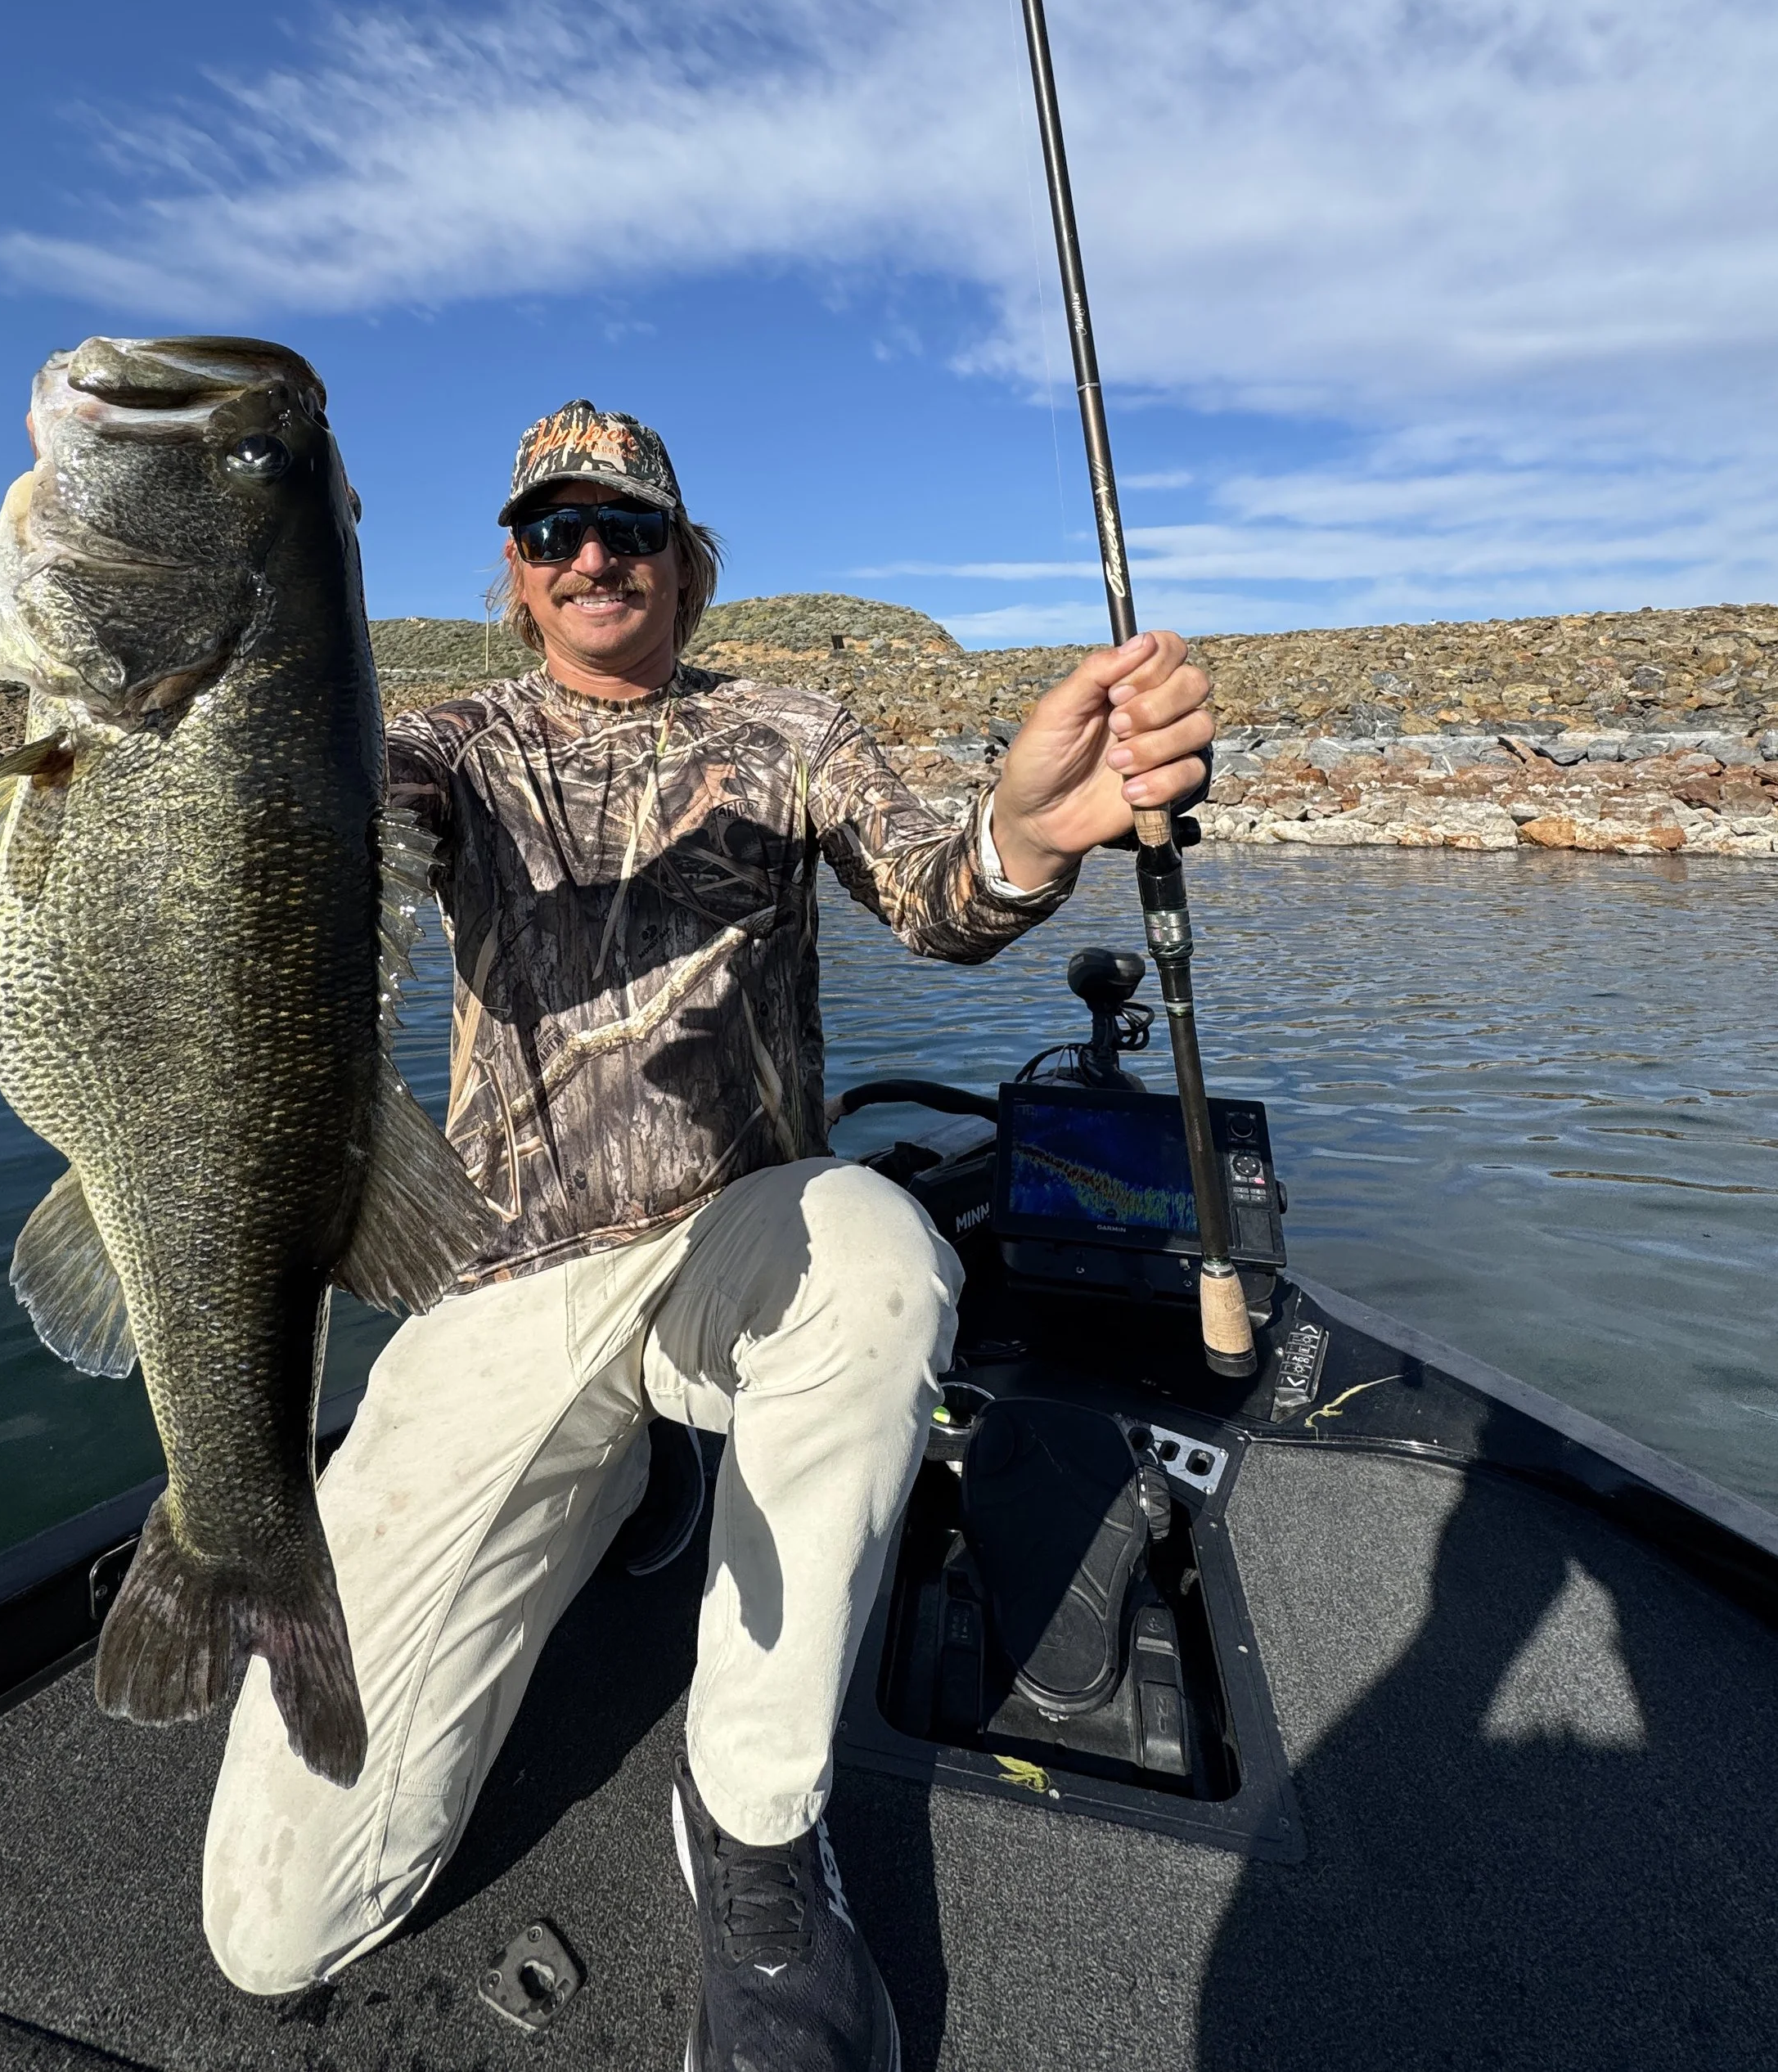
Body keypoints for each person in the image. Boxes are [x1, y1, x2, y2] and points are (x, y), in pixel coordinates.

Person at [201, 399, 1216, 2069]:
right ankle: (620, 1470)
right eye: (554, 531)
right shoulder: (449, 744)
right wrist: (229, 627)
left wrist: (1033, 824)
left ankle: (752, 1821)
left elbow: (935, 894)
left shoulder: (787, 726)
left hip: (746, 1249)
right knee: (271, 1928)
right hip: (500, 1285)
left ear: (684, 564)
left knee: (885, 1250)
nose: (594, 554)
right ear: (518, 578)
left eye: (630, 528)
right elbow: (307, 816)